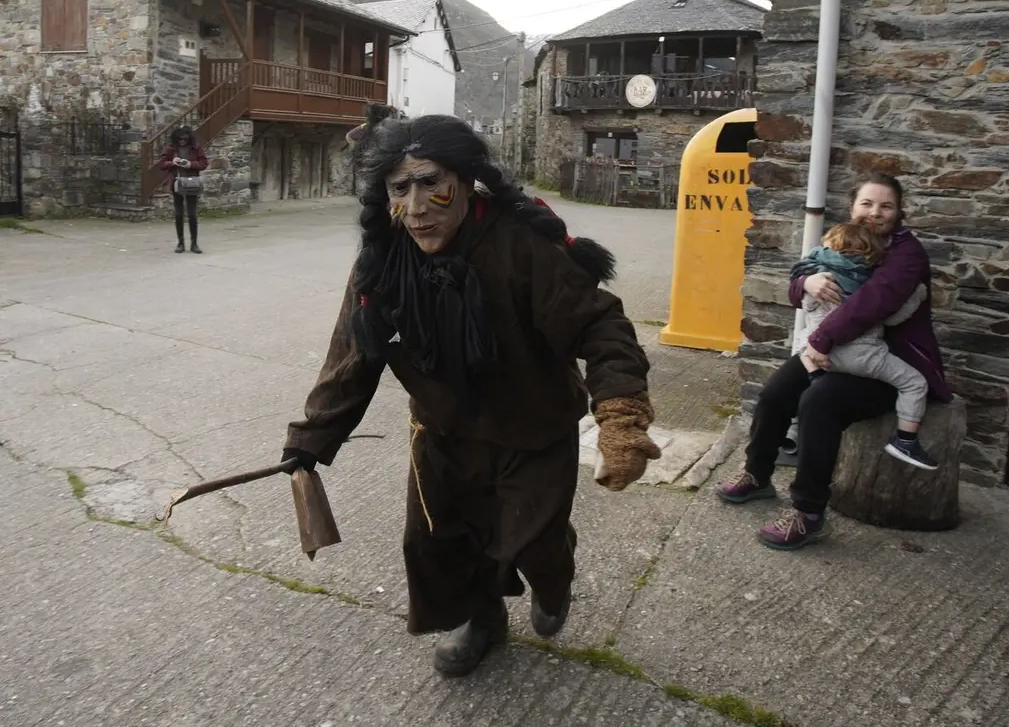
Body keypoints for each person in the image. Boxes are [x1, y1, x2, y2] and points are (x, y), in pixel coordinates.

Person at [280, 114, 661, 677]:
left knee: (533, 543)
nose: (416, 208)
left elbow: (600, 327)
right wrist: (311, 439)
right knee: (439, 544)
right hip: (443, 433)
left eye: (431, 182)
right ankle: (480, 619)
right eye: (399, 188)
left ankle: (553, 576)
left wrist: (621, 413)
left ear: (465, 179)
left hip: (534, 426)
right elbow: (352, 357)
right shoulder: (382, 263)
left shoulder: (519, 245)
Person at [717, 171, 953, 551]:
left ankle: (808, 512)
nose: (875, 213)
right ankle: (757, 475)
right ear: (853, 206)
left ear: (899, 212)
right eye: (867, 203)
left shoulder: (906, 254)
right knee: (776, 393)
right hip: (832, 348)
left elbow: (871, 303)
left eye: (886, 206)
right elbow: (805, 277)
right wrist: (805, 284)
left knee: (819, 402)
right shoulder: (843, 238)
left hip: (886, 362)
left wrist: (818, 343)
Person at [789, 220, 936, 470]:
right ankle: (906, 440)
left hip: (818, 355)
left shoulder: (820, 276)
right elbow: (893, 317)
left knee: (802, 339)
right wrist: (917, 295)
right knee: (914, 382)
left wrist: (805, 283)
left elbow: (803, 303)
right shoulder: (871, 284)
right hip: (864, 356)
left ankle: (815, 377)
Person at [158, 125, 209, 254]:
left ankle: (194, 243)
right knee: (179, 214)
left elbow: (204, 163)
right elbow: (161, 164)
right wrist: (172, 163)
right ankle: (180, 243)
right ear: (176, 138)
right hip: (177, 183)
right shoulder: (171, 148)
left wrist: (190, 164)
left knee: (192, 215)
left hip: (192, 183)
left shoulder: (196, 148)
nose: (182, 141)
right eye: (180, 139)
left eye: (184, 139)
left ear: (189, 138)